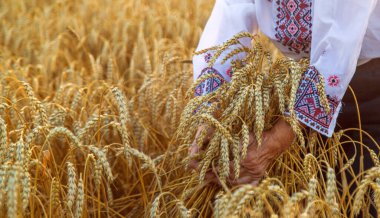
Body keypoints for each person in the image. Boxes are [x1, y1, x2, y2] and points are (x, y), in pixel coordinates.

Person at [189, 0, 380, 187]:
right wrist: (209, 118)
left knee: (363, 189)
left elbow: (339, 48)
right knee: (313, 194)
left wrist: (274, 142)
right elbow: (228, 18)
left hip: (372, 85)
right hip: (301, 81)